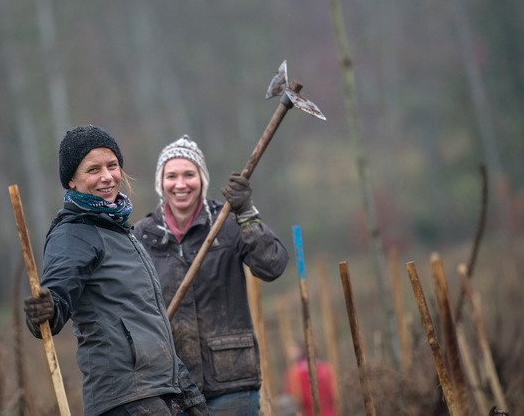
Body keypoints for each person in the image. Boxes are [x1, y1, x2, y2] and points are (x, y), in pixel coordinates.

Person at [23, 125, 209, 416]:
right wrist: (44, 308)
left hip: (157, 390)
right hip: (124, 398)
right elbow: (53, 310)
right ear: (71, 179)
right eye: (93, 169)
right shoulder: (74, 234)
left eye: (112, 165)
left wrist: (184, 387)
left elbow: (145, 319)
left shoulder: (120, 230)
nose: (107, 176)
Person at [133, 135, 289, 415]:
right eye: (172, 176)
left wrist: (247, 213)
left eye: (189, 174)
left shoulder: (228, 222)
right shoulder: (142, 236)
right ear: (161, 182)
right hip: (171, 390)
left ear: (202, 179)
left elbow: (273, 265)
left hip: (231, 386)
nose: (180, 184)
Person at [283, 342, 337, 416]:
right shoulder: (326, 368)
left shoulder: (294, 374)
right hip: (329, 412)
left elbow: (292, 398)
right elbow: (334, 392)